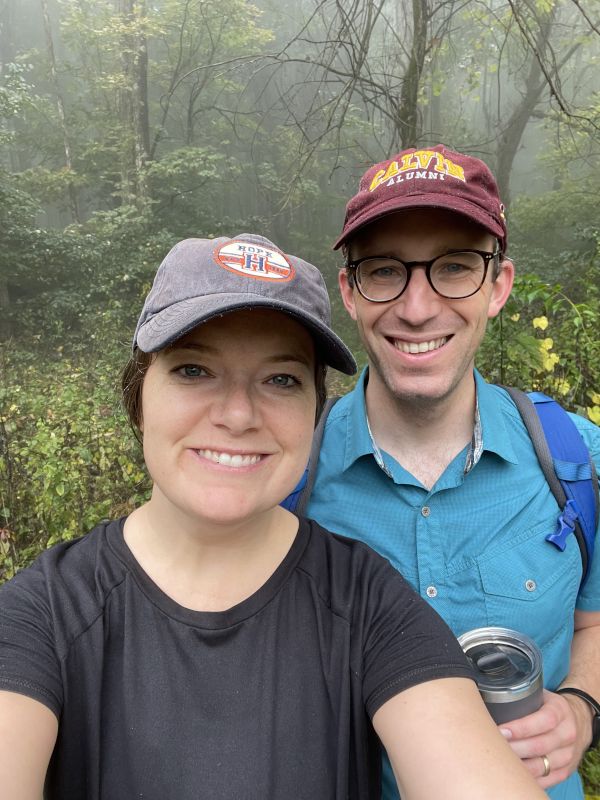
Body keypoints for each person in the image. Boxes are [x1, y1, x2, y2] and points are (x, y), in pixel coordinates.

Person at [0, 233, 544, 799]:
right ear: (139, 397)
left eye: (281, 379)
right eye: (193, 370)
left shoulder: (370, 605)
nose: (237, 415)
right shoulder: (41, 615)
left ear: (315, 411)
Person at [304, 145, 600, 800]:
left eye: (455, 267)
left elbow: (596, 620)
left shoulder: (577, 458)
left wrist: (581, 708)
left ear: (498, 286)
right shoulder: (289, 476)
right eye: (385, 271)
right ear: (349, 291)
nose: (417, 307)